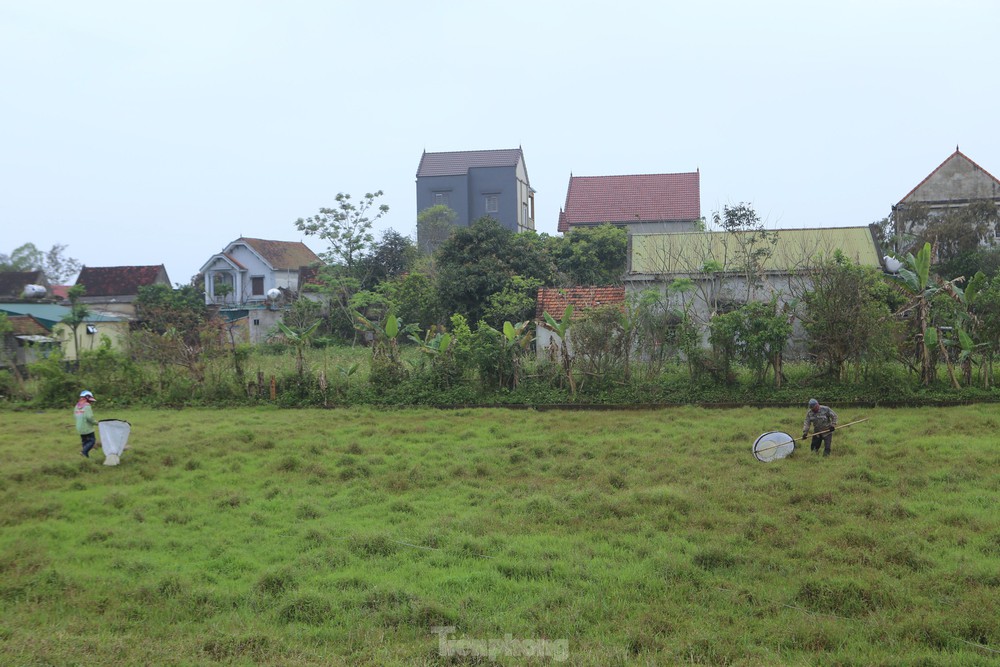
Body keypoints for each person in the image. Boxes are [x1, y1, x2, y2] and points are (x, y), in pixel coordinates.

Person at [75, 390, 99, 458]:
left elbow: (76, 416)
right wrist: (97, 423)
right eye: (90, 401)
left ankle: (86, 457)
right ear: (87, 398)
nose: (91, 402)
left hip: (79, 427)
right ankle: (84, 452)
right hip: (87, 428)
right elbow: (89, 417)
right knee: (92, 441)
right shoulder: (87, 406)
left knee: (85, 442)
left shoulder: (77, 406)